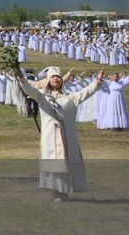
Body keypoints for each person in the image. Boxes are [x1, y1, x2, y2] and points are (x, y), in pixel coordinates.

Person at [16, 66, 103, 200]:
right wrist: (21, 77)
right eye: (53, 77)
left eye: (58, 77)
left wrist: (97, 81)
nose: (56, 79)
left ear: (62, 80)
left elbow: (87, 92)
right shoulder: (42, 96)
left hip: (67, 137)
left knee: (67, 163)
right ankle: (57, 191)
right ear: (48, 80)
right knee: (55, 163)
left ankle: (65, 191)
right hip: (50, 137)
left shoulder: (71, 98)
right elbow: (28, 89)